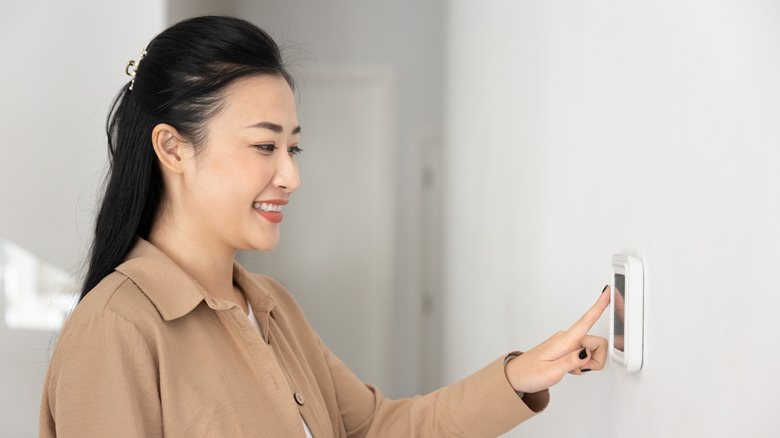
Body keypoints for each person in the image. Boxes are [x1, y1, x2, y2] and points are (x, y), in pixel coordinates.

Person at [39, 15, 610, 437]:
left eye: (293, 147)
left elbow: (375, 429)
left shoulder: (271, 306)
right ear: (173, 147)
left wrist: (521, 377)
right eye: (264, 145)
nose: (290, 175)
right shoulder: (116, 329)